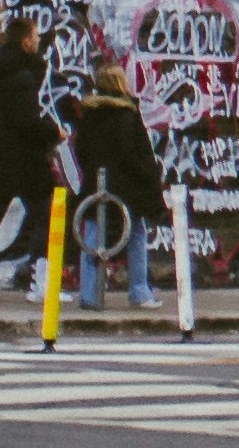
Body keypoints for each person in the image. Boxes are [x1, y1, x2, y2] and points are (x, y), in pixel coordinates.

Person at [0, 1, 63, 285]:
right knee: (46, 217)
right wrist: (53, 133)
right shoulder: (22, 77)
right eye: (35, 37)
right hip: (22, 162)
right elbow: (26, 121)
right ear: (25, 42)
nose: (39, 42)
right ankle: (41, 280)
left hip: (1, 160)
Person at [70, 49, 168, 319]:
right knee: (135, 233)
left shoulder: (89, 115)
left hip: (95, 183)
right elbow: (135, 152)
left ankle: (89, 293)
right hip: (126, 187)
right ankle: (139, 290)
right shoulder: (127, 114)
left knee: (91, 234)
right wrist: (147, 178)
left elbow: (81, 150)